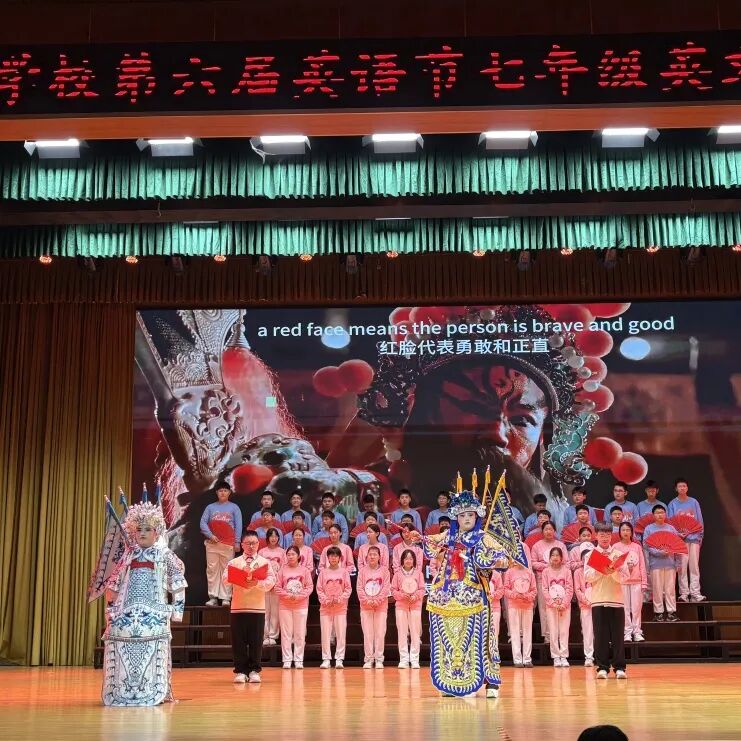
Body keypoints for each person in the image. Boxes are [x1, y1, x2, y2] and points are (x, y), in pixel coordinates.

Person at [423, 490, 510, 698]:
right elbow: (430, 544)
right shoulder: (449, 536)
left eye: (470, 515)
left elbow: (504, 558)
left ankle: (491, 682)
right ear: (456, 517)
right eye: (462, 515)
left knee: (482, 638)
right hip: (447, 597)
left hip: (475, 595)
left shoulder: (483, 538)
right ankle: (451, 681)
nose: (467, 519)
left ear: (477, 516)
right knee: (450, 639)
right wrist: (419, 538)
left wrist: (490, 561)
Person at [102, 502, 187, 706]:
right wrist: (111, 608)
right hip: (126, 615)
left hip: (155, 615)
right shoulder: (128, 555)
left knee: (155, 654)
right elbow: (114, 583)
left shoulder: (164, 554)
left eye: (147, 529)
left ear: (156, 533)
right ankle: (121, 691)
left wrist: (177, 612)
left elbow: (178, 583)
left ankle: (155, 691)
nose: (142, 533)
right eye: (139, 529)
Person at [224, 530, 277, 684]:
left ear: (258, 544)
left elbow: (271, 581)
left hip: (257, 607)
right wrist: (238, 576)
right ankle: (241, 671)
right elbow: (225, 579)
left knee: (256, 640)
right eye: (248, 543)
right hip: (238, 607)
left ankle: (254, 670)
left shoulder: (264, 562)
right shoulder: (234, 562)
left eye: (254, 543)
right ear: (242, 545)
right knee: (238, 640)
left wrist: (257, 583)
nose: (251, 546)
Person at [584, 522, 629, 679]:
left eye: (608, 535)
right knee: (600, 636)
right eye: (602, 534)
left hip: (616, 600)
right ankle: (602, 668)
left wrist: (613, 572)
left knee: (618, 636)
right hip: (598, 600)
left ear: (611, 536)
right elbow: (587, 576)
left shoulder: (618, 554)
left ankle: (620, 668)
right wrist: (601, 570)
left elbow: (625, 577)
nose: (605, 538)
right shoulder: (590, 554)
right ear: (596, 535)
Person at [200, 480, 242, 607]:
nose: (223, 493)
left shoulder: (234, 507)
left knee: (227, 570)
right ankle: (213, 597)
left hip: (228, 544)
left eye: (225, 490)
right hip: (212, 543)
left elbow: (239, 525)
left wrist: (237, 542)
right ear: (216, 493)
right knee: (212, 570)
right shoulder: (210, 507)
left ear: (229, 492)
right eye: (220, 491)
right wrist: (210, 535)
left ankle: (226, 597)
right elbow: (202, 523)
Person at [274, 546, 313, 669]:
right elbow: (277, 587)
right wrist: (288, 595)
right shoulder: (282, 570)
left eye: (293, 554)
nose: (290, 556)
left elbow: (309, 587)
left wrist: (299, 597)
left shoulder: (305, 570)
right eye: (288, 554)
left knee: (299, 633)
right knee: (286, 633)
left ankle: (298, 659)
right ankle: (287, 659)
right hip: (285, 605)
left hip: (301, 605)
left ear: (298, 556)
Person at [668, 478, 705, 602]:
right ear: (676, 489)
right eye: (680, 486)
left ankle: (695, 593)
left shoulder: (694, 502)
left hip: (694, 539)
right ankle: (684, 593)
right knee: (682, 568)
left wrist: (699, 536)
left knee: (694, 567)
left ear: (687, 488)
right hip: (680, 541)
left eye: (684, 486)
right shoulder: (672, 504)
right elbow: (670, 523)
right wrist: (677, 534)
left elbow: (699, 520)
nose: (682, 488)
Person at [530, 521, 567, 643]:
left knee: (560, 605)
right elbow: (533, 563)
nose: (549, 531)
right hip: (543, 580)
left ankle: (560, 635)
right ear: (542, 531)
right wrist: (547, 566)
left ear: (554, 531)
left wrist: (556, 566)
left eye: (551, 529)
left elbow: (566, 562)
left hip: (560, 581)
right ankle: (547, 635)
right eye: (546, 529)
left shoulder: (560, 545)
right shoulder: (536, 546)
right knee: (544, 607)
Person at [316, 546, 352, 668]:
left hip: (340, 607)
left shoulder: (344, 572)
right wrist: (326, 600)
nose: (333, 558)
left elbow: (348, 589)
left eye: (336, 556)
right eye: (331, 556)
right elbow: (319, 589)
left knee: (341, 634)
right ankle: (326, 659)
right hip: (325, 608)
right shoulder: (323, 573)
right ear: (328, 558)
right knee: (325, 634)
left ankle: (339, 659)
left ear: (339, 558)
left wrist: (339, 599)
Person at [643, 504, 680, 622]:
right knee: (657, 589)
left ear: (665, 514)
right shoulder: (649, 529)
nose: (660, 515)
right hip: (655, 564)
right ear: (653, 515)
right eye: (657, 513)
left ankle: (671, 612)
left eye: (662, 512)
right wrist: (659, 552)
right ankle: (658, 613)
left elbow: (677, 545)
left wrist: (678, 563)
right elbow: (646, 546)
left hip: (670, 563)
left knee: (670, 589)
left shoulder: (671, 529)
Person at [357, 545, 391, 669]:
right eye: (370, 554)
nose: (372, 556)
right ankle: (368, 659)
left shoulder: (385, 571)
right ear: (366, 557)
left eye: (374, 554)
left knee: (380, 633)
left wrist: (377, 600)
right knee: (367, 633)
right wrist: (367, 600)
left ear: (379, 557)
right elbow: (359, 588)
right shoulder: (362, 571)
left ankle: (379, 659)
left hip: (380, 606)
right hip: (366, 606)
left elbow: (386, 588)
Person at [391, 549, 426, 669]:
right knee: (402, 633)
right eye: (406, 558)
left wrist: (415, 596)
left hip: (415, 605)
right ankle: (404, 660)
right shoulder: (397, 574)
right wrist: (401, 595)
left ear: (414, 560)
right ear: (402, 560)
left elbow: (422, 589)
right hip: (401, 606)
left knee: (415, 633)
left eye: (411, 558)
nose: (408, 560)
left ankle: (415, 659)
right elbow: (393, 590)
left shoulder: (419, 573)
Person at [614, 522, 647, 642]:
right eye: (623, 530)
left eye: (628, 530)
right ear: (619, 532)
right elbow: (614, 566)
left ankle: (637, 632)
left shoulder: (637, 547)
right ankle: (627, 632)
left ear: (632, 532)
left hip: (636, 581)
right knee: (625, 608)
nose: (626, 532)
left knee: (637, 608)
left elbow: (642, 565)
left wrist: (644, 582)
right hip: (622, 582)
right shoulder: (616, 547)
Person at [542, 546, 574, 667]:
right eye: (553, 555)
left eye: (557, 555)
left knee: (564, 631)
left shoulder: (567, 571)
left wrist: (564, 603)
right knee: (553, 631)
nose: (555, 557)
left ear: (561, 557)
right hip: (551, 606)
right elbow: (544, 589)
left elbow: (569, 588)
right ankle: (556, 656)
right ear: (550, 557)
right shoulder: (546, 572)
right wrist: (553, 603)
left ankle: (564, 656)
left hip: (565, 606)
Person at [503, 558, 536, 668]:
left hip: (527, 605)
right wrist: (514, 595)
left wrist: (527, 596)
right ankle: (517, 659)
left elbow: (534, 590)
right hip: (514, 605)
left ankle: (527, 659)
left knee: (527, 632)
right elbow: (506, 589)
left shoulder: (529, 572)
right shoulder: (509, 572)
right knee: (515, 632)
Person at [259, 528, 286, 646]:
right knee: (265, 611)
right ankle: (265, 635)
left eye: (276, 536)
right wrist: (266, 583)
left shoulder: (283, 552)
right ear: (267, 538)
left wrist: (276, 583)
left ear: (278, 538)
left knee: (275, 612)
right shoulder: (261, 552)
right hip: (264, 585)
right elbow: (258, 569)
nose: (273, 538)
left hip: (277, 586)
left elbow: (284, 570)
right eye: (271, 536)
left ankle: (273, 635)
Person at [573, 544, 595, 667]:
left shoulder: (597, 570)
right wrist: (586, 601)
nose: (587, 559)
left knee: (599, 631)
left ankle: (600, 656)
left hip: (597, 604)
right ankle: (589, 656)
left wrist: (595, 600)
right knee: (587, 631)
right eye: (584, 557)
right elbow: (577, 589)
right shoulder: (578, 572)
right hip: (585, 605)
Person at [489, 568, 505, 646]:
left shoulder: (496, 574)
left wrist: (493, 595)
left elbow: (501, 591)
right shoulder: (479, 573)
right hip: (482, 608)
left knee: (495, 633)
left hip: (495, 608)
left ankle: (494, 651)